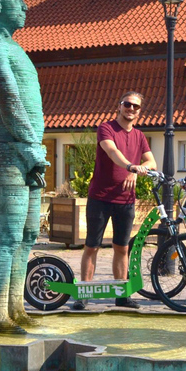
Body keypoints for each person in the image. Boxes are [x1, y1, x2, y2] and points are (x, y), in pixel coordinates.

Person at [0, 0, 48, 334]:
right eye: (19, 0)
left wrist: (36, 148)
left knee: (29, 234)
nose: (25, 6)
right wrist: (33, 147)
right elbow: (8, 99)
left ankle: (16, 308)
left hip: (29, 151)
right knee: (6, 234)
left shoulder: (15, 47)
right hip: (9, 152)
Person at [73, 92, 156, 310]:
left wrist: (137, 172)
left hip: (126, 200)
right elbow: (111, 151)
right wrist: (130, 166)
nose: (131, 108)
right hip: (100, 198)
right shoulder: (106, 128)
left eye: (135, 106)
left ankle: (122, 295)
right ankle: (83, 294)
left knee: (122, 247)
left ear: (140, 111)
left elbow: (151, 161)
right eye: (127, 104)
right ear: (119, 106)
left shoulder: (139, 135)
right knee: (92, 246)